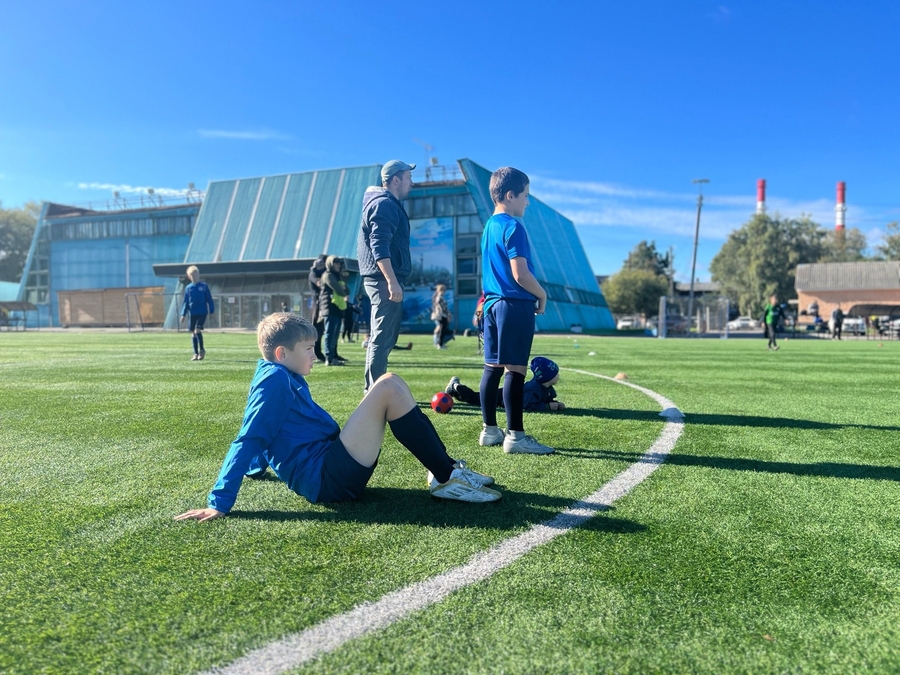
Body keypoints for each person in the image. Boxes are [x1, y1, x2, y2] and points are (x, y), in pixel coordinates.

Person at [174, 313, 499, 523]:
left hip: (330, 466)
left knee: (392, 382)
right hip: (327, 479)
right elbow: (251, 436)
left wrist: (257, 469)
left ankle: (446, 467)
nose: (315, 356)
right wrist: (220, 501)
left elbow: (268, 431)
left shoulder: (279, 375)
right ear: (281, 354)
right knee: (387, 387)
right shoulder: (274, 381)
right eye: (308, 349)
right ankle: (446, 478)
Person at [478, 167, 552, 455]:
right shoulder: (513, 226)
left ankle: (490, 430)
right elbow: (520, 274)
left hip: (492, 305)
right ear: (510, 195)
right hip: (513, 305)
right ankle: (516, 437)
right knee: (516, 370)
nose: (527, 202)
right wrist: (542, 294)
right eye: (525, 196)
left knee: (492, 368)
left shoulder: (488, 227)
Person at [357, 159, 415, 392]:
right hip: (382, 279)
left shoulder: (389, 203)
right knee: (381, 338)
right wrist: (391, 281)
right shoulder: (385, 204)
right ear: (395, 180)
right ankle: (374, 392)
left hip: (383, 278)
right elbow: (378, 245)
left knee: (385, 338)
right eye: (408, 177)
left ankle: (374, 388)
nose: (412, 182)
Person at [446, 357, 565, 412]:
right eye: (556, 373)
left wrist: (555, 404)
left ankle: (456, 388)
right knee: (476, 398)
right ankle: (455, 387)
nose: (558, 375)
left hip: (502, 396)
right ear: (546, 377)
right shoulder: (533, 389)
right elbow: (527, 405)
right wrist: (547, 407)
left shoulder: (547, 387)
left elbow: (545, 399)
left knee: (477, 398)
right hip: (499, 398)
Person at [319, 255, 350, 366]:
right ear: (331, 264)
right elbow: (341, 291)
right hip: (329, 308)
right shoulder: (328, 275)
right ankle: (329, 358)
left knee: (335, 334)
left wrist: (343, 288)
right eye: (336, 263)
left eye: (339, 263)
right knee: (330, 334)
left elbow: (347, 290)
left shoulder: (337, 276)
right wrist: (343, 289)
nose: (339, 265)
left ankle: (333, 356)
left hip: (337, 308)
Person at [180, 265, 215, 361]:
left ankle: (202, 350)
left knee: (197, 330)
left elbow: (209, 299)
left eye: (196, 275)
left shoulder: (203, 286)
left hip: (202, 312)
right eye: (192, 275)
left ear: (198, 275)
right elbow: (186, 302)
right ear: (189, 276)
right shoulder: (188, 288)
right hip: (192, 313)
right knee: (193, 333)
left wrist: (211, 311)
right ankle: (195, 353)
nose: (195, 277)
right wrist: (183, 314)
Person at [308, 255, 327, 362]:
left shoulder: (317, 272)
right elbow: (319, 283)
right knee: (316, 330)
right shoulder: (313, 273)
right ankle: (317, 353)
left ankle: (319, 353)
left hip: (320, 303)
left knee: (320, 330)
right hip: (317, 304)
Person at [431, 284, 453, 349]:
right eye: (443, 290)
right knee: (442, 329)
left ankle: (438, 343)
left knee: (440, 329)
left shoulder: (438, 297)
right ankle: (440, 344)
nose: (444, 291)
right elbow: (443, 308)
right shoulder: (439, 297)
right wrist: (448, 314)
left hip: (441, 315)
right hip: (441, 315)